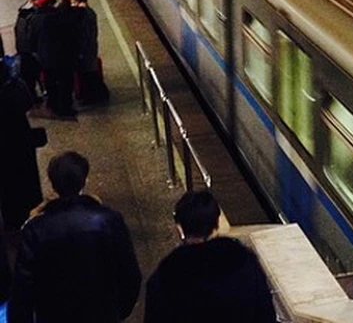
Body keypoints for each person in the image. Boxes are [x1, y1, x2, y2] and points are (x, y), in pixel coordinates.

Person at [7, 152, 141, 323]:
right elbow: (130, 273)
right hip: (101, 313)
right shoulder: (109, 220)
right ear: (84, 180)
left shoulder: (35, 229)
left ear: (53, 184)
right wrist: (116, 310)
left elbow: (23, 288)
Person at [144, 191, 276, 323]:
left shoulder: (165, 277)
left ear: (180, 228)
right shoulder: (245, 263)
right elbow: (266, 314)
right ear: (217, 223)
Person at [0, 58, 43, 230]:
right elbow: (27, 104)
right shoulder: (14, 87)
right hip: (20, 139)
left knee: (7, 182)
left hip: (3, 147)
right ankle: (33, 210)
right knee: (27, 177)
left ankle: (12, 218)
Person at [72, 0, 109, 104]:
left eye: (74, 3)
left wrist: (81, 50)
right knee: (90, 73)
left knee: (89, 74)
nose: (72, 5)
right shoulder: (89, 12)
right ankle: (98, 95)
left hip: (87, 50)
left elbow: (85, 34)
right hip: (89, 49)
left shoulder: (86, 14)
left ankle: (98, 95)